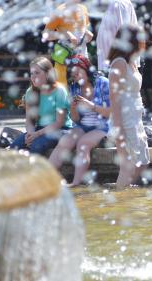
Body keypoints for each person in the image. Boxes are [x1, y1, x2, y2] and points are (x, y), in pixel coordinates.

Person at [49, 55, 111, 187]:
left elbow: (111, 113)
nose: (76, 76)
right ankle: (48, 179)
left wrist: (92, 106)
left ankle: (76, 183)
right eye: (73, 74)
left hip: (104, 126)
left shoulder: (103, 83)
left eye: (78, 72)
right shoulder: (74, 88)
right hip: (83, 126)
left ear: (86, 69)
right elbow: (76, 119)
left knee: (83, 144)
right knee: (64, 142)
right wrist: (72, 109)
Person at [108, 25, 149, 189]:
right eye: (141, 39)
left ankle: (126, 193)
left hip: (135, 118)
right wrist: (118, 129)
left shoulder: (132, 62)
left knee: (143, 162)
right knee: (127, 164)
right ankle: (120, 199)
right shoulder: (119, 63)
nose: (144, 42)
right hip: (124, 119)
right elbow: (114, 98)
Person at [10, 57, 73, 155]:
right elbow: (29, 120)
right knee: (14, 147)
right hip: (39, 129)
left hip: (61, 130)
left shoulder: (59, 91)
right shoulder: (30, 92)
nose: (33, 76)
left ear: (48, 74)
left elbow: (59, 122)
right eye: (32, 73)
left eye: (37, 73)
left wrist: (37, 135)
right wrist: (30, 135)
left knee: (37, 145)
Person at [42, 0, 93, 86]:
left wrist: (88, 34)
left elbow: (84, 29)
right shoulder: (59, 11)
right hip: (64, 61)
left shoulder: (83, 8)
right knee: (64, 93)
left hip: (82, 60)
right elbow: (45, 35)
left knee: (82, 93)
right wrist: (65, 34)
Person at [96, 0, 138, 72]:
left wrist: (129, 60)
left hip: (117, 62)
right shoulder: (114, 3)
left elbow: (124, 33)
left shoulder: (118, 3)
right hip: (113, 61)